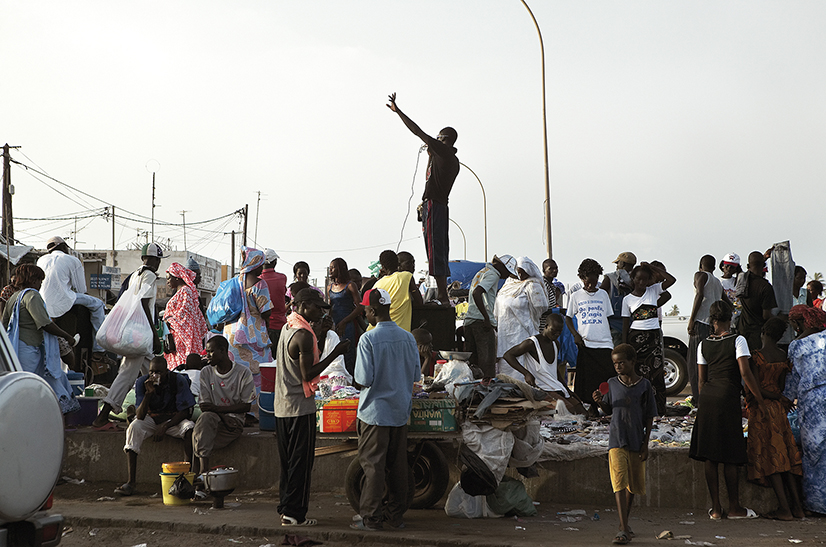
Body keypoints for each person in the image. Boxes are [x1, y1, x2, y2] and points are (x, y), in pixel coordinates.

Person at [275, 288, 350, 526]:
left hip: (283, 407)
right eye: (317, 308)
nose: (320, 313)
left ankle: (286, 509)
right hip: (299, 407)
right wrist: (336, 353)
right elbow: (308, 372)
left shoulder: (288, 328)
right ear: (305, 305)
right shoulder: (303, 335)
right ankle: (295, 514)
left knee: (288, 463)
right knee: (301, 464)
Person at [350, 288, 419, 531]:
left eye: (365, 310)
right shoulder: (408, 338)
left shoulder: (367, 339)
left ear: (372, 310)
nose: (365, 314)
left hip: (375, 413)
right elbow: (416, 375)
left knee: (373, 466)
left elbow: (363, 379)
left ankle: (371, 517)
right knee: (397, 465)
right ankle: (395, 516)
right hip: (400, 411)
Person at [689, 300, 763, 520]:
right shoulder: (738, 340)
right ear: (730, 319)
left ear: (712, 321)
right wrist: (759, 399)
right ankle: (735, 508)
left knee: (710, 456)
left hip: (708, 399)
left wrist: (704, 403)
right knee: (730, 455)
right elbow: (745, 373)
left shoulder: (703, 344)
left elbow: (701, 381)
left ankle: (716, 509)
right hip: (728, 398)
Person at [387, 92, 458, 305]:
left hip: (434, 206)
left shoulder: (444, 153)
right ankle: (442, 294)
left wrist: (398, 111)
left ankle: (443, 296)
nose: (433, 142)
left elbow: (418, 131)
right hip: (438, 207)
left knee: (435, 248)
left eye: (438, 139)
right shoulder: (446, 158)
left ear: (444, 141)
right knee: (437, 247)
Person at [93, 243, 165, 429]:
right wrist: (155, 335)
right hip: (141, 335)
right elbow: (143, 304)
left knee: (153, 372)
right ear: (156, 260)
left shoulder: (135, 275)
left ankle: (150, 410)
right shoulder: (149, 275)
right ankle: (103, 415)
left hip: (133, 334)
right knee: (128, 375)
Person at [592, 344, 657, 545]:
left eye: (621, 362)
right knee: (618, 481)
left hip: (637, 439)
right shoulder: (612, 383)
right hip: (617, 438)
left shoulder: (645, 386)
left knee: (632, 484)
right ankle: (622, 528)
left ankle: (625, 524)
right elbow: (608, 409)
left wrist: (646, 444)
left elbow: (649, 416)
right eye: (615, 363)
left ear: (632, 362)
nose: (618, 366)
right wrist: (599, 402)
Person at [744, 317, 804, 520]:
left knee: (773, 460)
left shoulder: (757, 357)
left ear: (763, 332)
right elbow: (779, 387)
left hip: (762, 411)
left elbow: (754, 387)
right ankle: (797, 507)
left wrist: (765, 398)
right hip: (779, 411)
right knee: (786, 458)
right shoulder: (781, 356)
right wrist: (777, 397)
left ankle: (785, 510)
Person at [2, 263, 79, 414]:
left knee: (23, 386)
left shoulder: (13, 298)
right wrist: (67, 336)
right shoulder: (32, 296)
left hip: (17, 349)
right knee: (37, 385)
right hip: (30, 349)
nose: (40, 285)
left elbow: (4, 324)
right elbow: (44, 323)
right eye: (39, 281)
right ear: (32, 280)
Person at [114, 356, 196, 496]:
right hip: (151, 419)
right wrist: (148, 394)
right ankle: (131, 482)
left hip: (173, 420)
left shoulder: (177, 380)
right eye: (152, 372)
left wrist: (165, 426)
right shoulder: (142, 382)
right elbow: (140, 416)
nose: (154, 375)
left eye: (158, 372)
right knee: (134, 427)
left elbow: (185, 411)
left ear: (166, 372)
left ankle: (186, 479)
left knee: (189, 428)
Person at [36, 235, 112, 369]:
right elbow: (81, 289)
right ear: (64, 247)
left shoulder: (41, 260)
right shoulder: (72, 260)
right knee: (98, 305)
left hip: (43, 302)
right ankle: (98, 349)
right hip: (66, 300)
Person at [192, 335, 255, 477]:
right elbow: (205, 407)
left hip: (233, 424)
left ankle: (200, 477)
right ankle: (202, 474)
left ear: (223, 351)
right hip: (214, 420)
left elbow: (245, 406)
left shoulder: (243, 373)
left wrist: (221, 413)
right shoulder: (206, 372)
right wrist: (222, 416)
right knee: (202, 423)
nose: (207, 356)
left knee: (198, 435)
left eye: (211, 352)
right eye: (207, 352)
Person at [784, 305, 826, 515]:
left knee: (813, 454)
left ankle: (817, 505)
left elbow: (791, 385)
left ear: (796, 323)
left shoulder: (796, 346)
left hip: (811, 406)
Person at [621, 262, 676, 415]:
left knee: (657, 374)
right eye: (638, 279)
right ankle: (638, 408)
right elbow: (626, 324)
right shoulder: (627, 300)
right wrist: (625, 345)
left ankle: (658, 410)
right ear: (633, 279)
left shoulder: (653, 290)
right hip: (636, 338)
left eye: (645, 279)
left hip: (653, 337)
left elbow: (672, 280)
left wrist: (654, 269)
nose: (641, 282)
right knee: (638, 373)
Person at [503, 314, 585, 414]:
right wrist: (526, 373)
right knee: (570, 411)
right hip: (542, 389)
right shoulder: (532, 343)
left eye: (560, 332)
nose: (557, 335)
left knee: (583, 411)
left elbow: (555, 371)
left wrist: (567, 389)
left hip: (557, 387)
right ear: (546, 326)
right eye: (554, 331)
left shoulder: (556, 344)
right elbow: (508, 355)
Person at [565, 258, 615, 412]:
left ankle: (605, 407)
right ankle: (591, 408)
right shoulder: (576, 296)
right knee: (587, 380)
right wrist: (575, 335)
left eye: (594, 282)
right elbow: (568, 318)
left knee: (606, 378)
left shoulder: (603, 295)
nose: (591, 286)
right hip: (586, 343)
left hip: (605, 343)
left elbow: (608, 317)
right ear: (582, 278)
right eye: (588, 282)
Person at [223, 247, 272, 394]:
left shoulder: (233, 283)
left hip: (232, 334)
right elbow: (266, 311)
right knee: (258, 373)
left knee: (236, 372)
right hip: (253, 335)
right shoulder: (260, 284)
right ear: (256, 264)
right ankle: (254, 409)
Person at [463, 255, 517, 379]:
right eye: (508, 272)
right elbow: (477, 293)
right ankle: (486, 392)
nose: (507, 275)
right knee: (487, 363)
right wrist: (486, 318)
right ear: (502, 267)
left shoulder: (483, 271)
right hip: (481, 322)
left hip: (470, 321)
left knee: (473, 363)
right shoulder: (494, 275)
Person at [495, 257, 548, 381]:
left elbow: (541, 307)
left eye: (523, 270)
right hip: (505, 335)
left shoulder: (532, 285)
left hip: (523, 333)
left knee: (524, 366)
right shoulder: (508, 285)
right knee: (507, 369)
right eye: (518, 271)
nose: (520, 274)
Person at [686, 255, 726, 400]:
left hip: (701, 322)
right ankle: (711, 395)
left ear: (700, 265)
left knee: (695, 362)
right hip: (713, 325)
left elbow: (699, 294)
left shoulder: (700, 275)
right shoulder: (717, 282)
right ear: (714, 267)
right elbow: (726, 300)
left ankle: (698, 398)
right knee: (710, 362)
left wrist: (692, 319)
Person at [162, 262, 208, 371]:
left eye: (169, 278)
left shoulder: (185, 291)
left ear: (177, 278)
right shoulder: (180, 292)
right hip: (176, 339)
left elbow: (185, 317)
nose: (167, 282)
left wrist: (169, 320)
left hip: (183, 340)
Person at [737, 251, 778, 351]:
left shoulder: (742, 280)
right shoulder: (765, 287)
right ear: (763, 265)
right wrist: (779, 319)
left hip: (741, 330)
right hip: (757, 333)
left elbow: (753, 265)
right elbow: (766, 315)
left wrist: (763, 258)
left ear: (747, 265)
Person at [372, 250, 422, 332]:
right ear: (399, 265)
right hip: (399, 330)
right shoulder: (406, 276)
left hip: (376, 331)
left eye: (413, 263)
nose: (413, 266)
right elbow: (420, 302)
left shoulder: (377, 284)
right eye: (409, 263)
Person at [327, 257, 361, 375]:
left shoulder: (350, 286)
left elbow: (359, 307)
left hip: (347, 325)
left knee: (348, 354)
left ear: (340, 268)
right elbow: (330, 308)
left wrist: (344, 321)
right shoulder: (329, 288)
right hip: (335, 325)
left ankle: (350, 380)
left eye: (333, 267)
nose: (330, 270)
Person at [601, 252, 637, 347]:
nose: (617, 266)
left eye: (618, 263)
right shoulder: (637, 279)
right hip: (634, 325)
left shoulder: (610, 278)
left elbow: (599, 295)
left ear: (622, 264)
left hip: (614, 324)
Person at [260, 248, 288, 347]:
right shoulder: (282, 278)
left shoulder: (258, 281)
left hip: (263, 327)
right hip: (281, 325)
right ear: (274, 262)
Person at [718, 253, 743, 325]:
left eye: (732, 267)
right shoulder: (718, 282)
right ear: (722, 266)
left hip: (738, 319)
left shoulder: (739, 281)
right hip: (723, 319)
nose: (729, 268)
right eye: (727, 265)